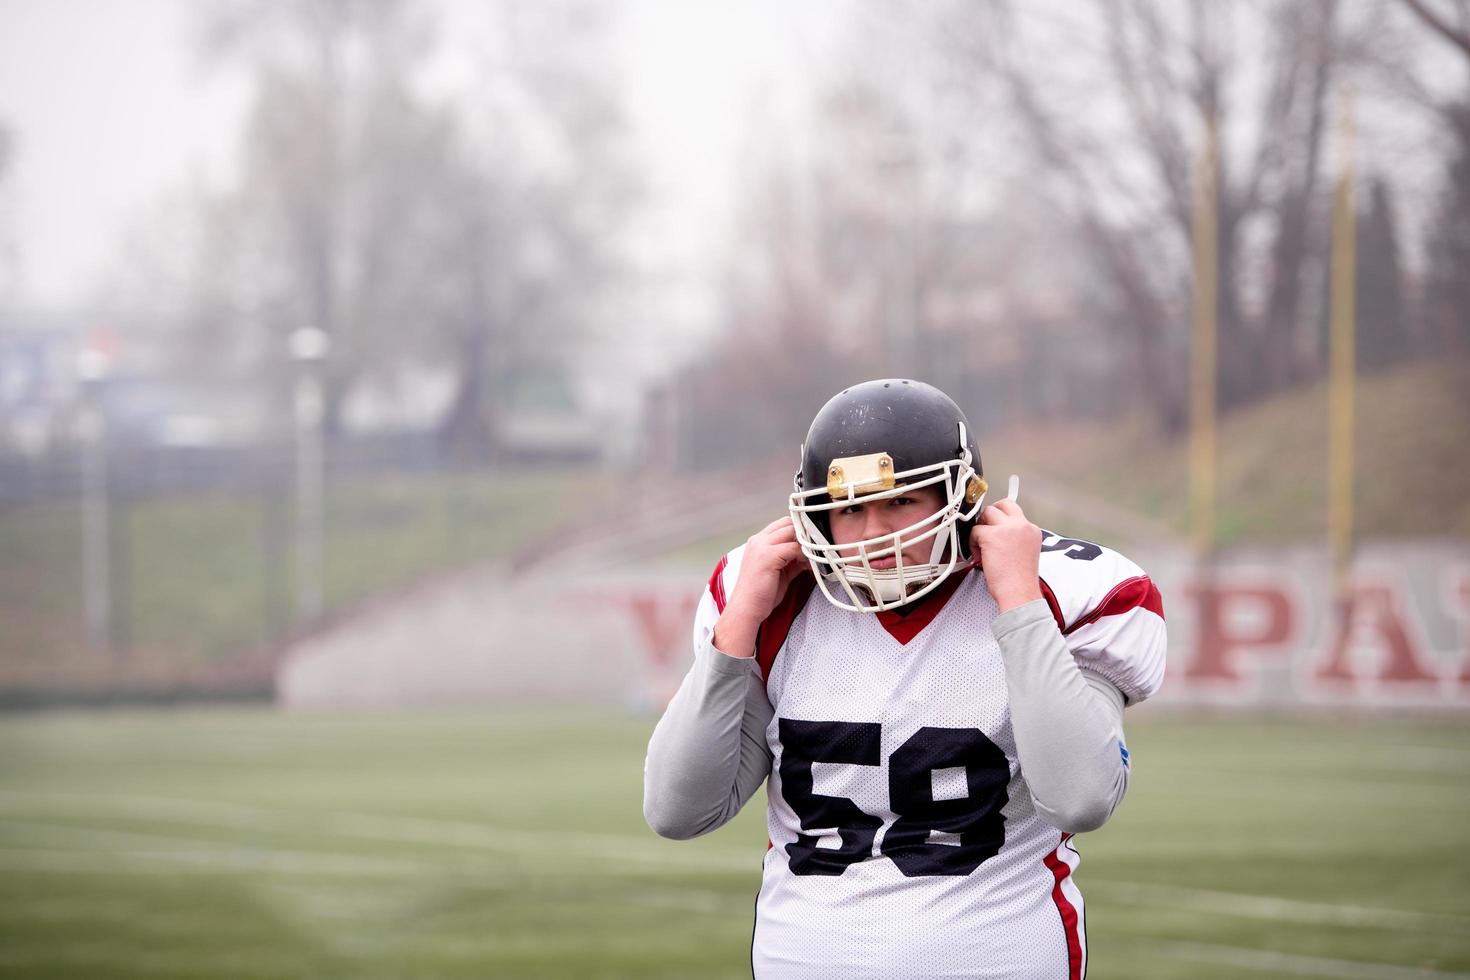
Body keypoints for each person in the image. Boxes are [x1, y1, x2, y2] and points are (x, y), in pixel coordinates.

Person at [643, 379, 1166, 980]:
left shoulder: (1057, 587)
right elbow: (677, 810)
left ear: (961, 497)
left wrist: (1020, 604)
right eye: (850, 508)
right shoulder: (772, 598)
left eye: (900, 502)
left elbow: (1082, 795)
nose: (873, 534)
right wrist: (736, 626)